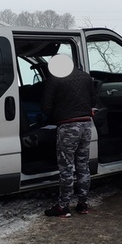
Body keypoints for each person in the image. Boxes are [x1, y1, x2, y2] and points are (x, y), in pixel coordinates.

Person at [41, 54, 99, 217]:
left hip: (68, 126)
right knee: (82, 165)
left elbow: (46, 106)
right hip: (86, 125)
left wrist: (54, 116)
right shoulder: (86, 77)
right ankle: (82, 204)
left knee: (66, 166)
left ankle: (63, 206)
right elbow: (94, 101)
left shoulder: (54, 79)